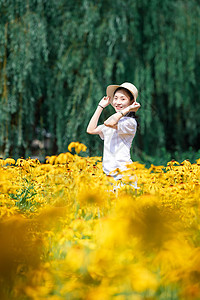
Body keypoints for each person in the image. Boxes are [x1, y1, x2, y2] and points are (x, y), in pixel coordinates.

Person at [86, 82, 140, 184]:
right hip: (109, 176)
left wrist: (128, 109)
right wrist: (100, 106)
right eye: (115, 98)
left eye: (123, 99)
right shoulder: (113, 121)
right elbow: (90, 129)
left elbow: (109, 123)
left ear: (132, 102)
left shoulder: (130, 122)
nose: (118, 102)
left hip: (124, 175)